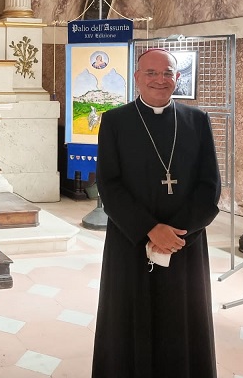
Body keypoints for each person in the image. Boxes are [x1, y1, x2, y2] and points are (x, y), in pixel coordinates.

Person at [91, 48, 221, 378]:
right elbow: (109, 185)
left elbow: (210, 187)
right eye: (151, 73)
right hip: (130, 241)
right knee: (128, 321)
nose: (159, 80)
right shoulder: (115, 121)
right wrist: (150, 229)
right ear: (136, 78)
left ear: (178, 78)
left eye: (167, 73)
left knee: (182, 320)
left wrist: (177, 233)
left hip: (184, 244)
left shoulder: (197, 120)